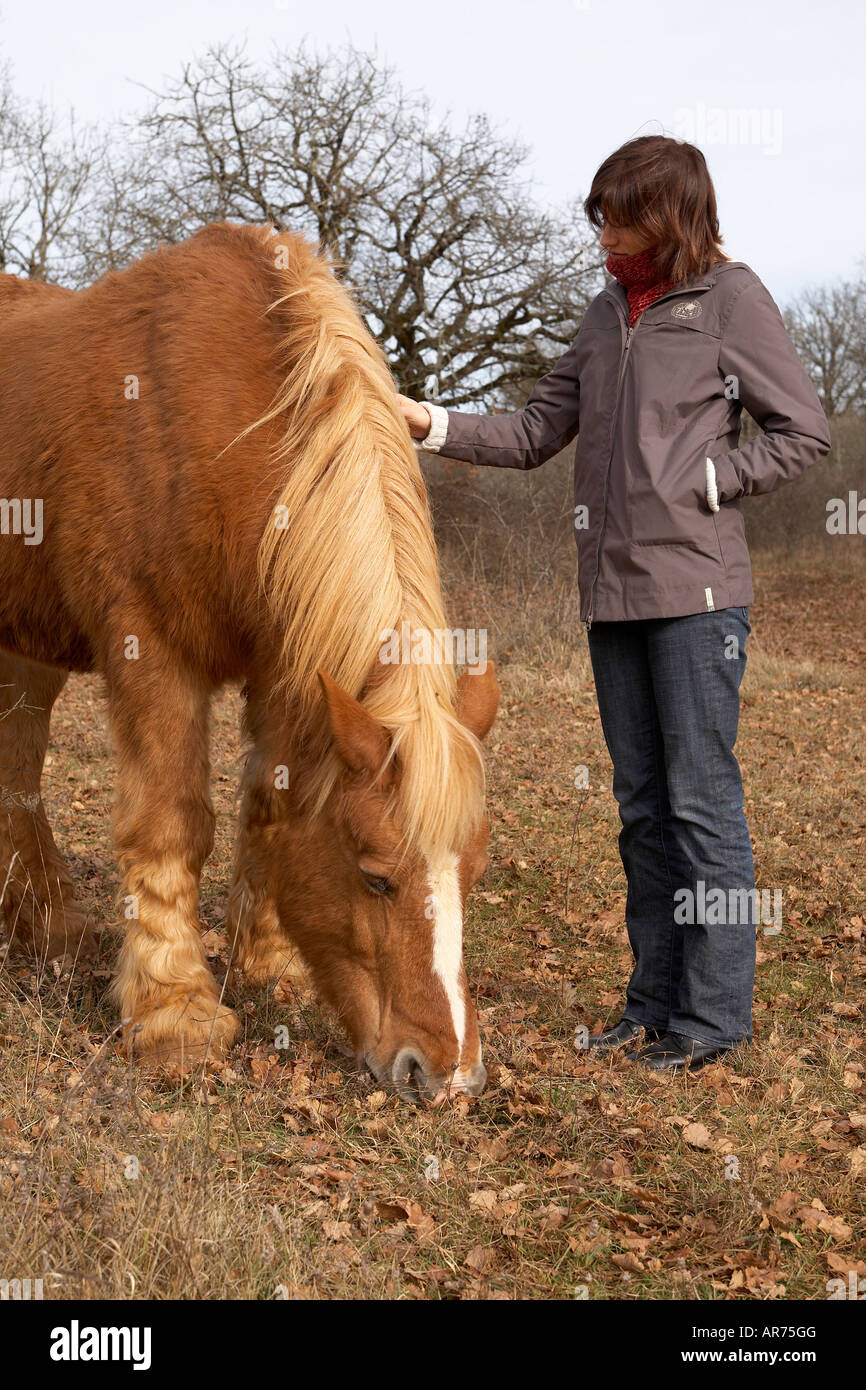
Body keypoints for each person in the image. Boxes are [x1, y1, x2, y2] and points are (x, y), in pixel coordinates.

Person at [397, 135, 831, 1072]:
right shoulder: (604, 316)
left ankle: (711, 1021)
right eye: (601, 217)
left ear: (668, 215)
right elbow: (531, 430)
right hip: (613, 598)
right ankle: (652, 1004)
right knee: (640, 808)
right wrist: (426, 421)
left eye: (622, 217)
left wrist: (718, 475)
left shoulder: (731, 299)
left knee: (699, 803)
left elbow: (804, 431)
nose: (606, 236)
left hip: (697, 596)